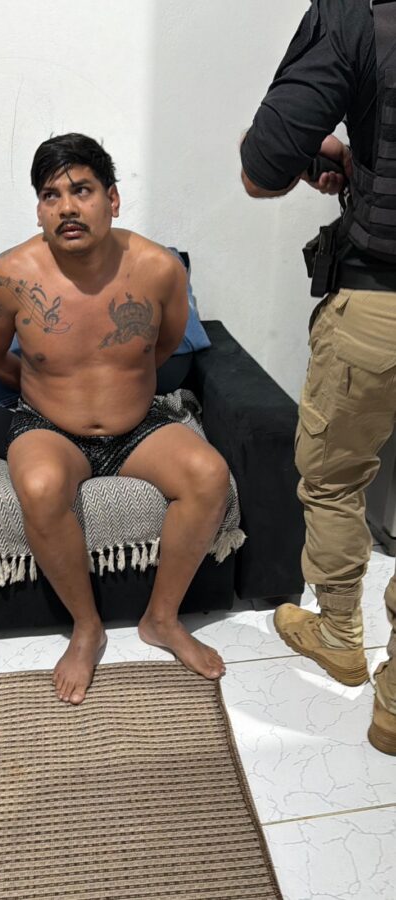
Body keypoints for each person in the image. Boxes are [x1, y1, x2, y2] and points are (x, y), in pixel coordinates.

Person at [0, 132, 229, 705]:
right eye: (51, 195)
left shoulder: (159, 269)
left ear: (112, 199)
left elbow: (162, 347)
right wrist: (48, 390)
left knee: (210, 476)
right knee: (41, 486)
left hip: (137, 428)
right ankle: (86, 629)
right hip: (48, 428)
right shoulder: (8, 277)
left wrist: (120, 390)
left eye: (82, 190)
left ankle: (161, 619)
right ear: (39, 209)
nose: (67, 207)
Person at [240, 0, 396, 755]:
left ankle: (339, 634)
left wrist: (333, 152)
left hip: (380, 305)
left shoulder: (358, 11)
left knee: (333, 480)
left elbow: (262, 169)